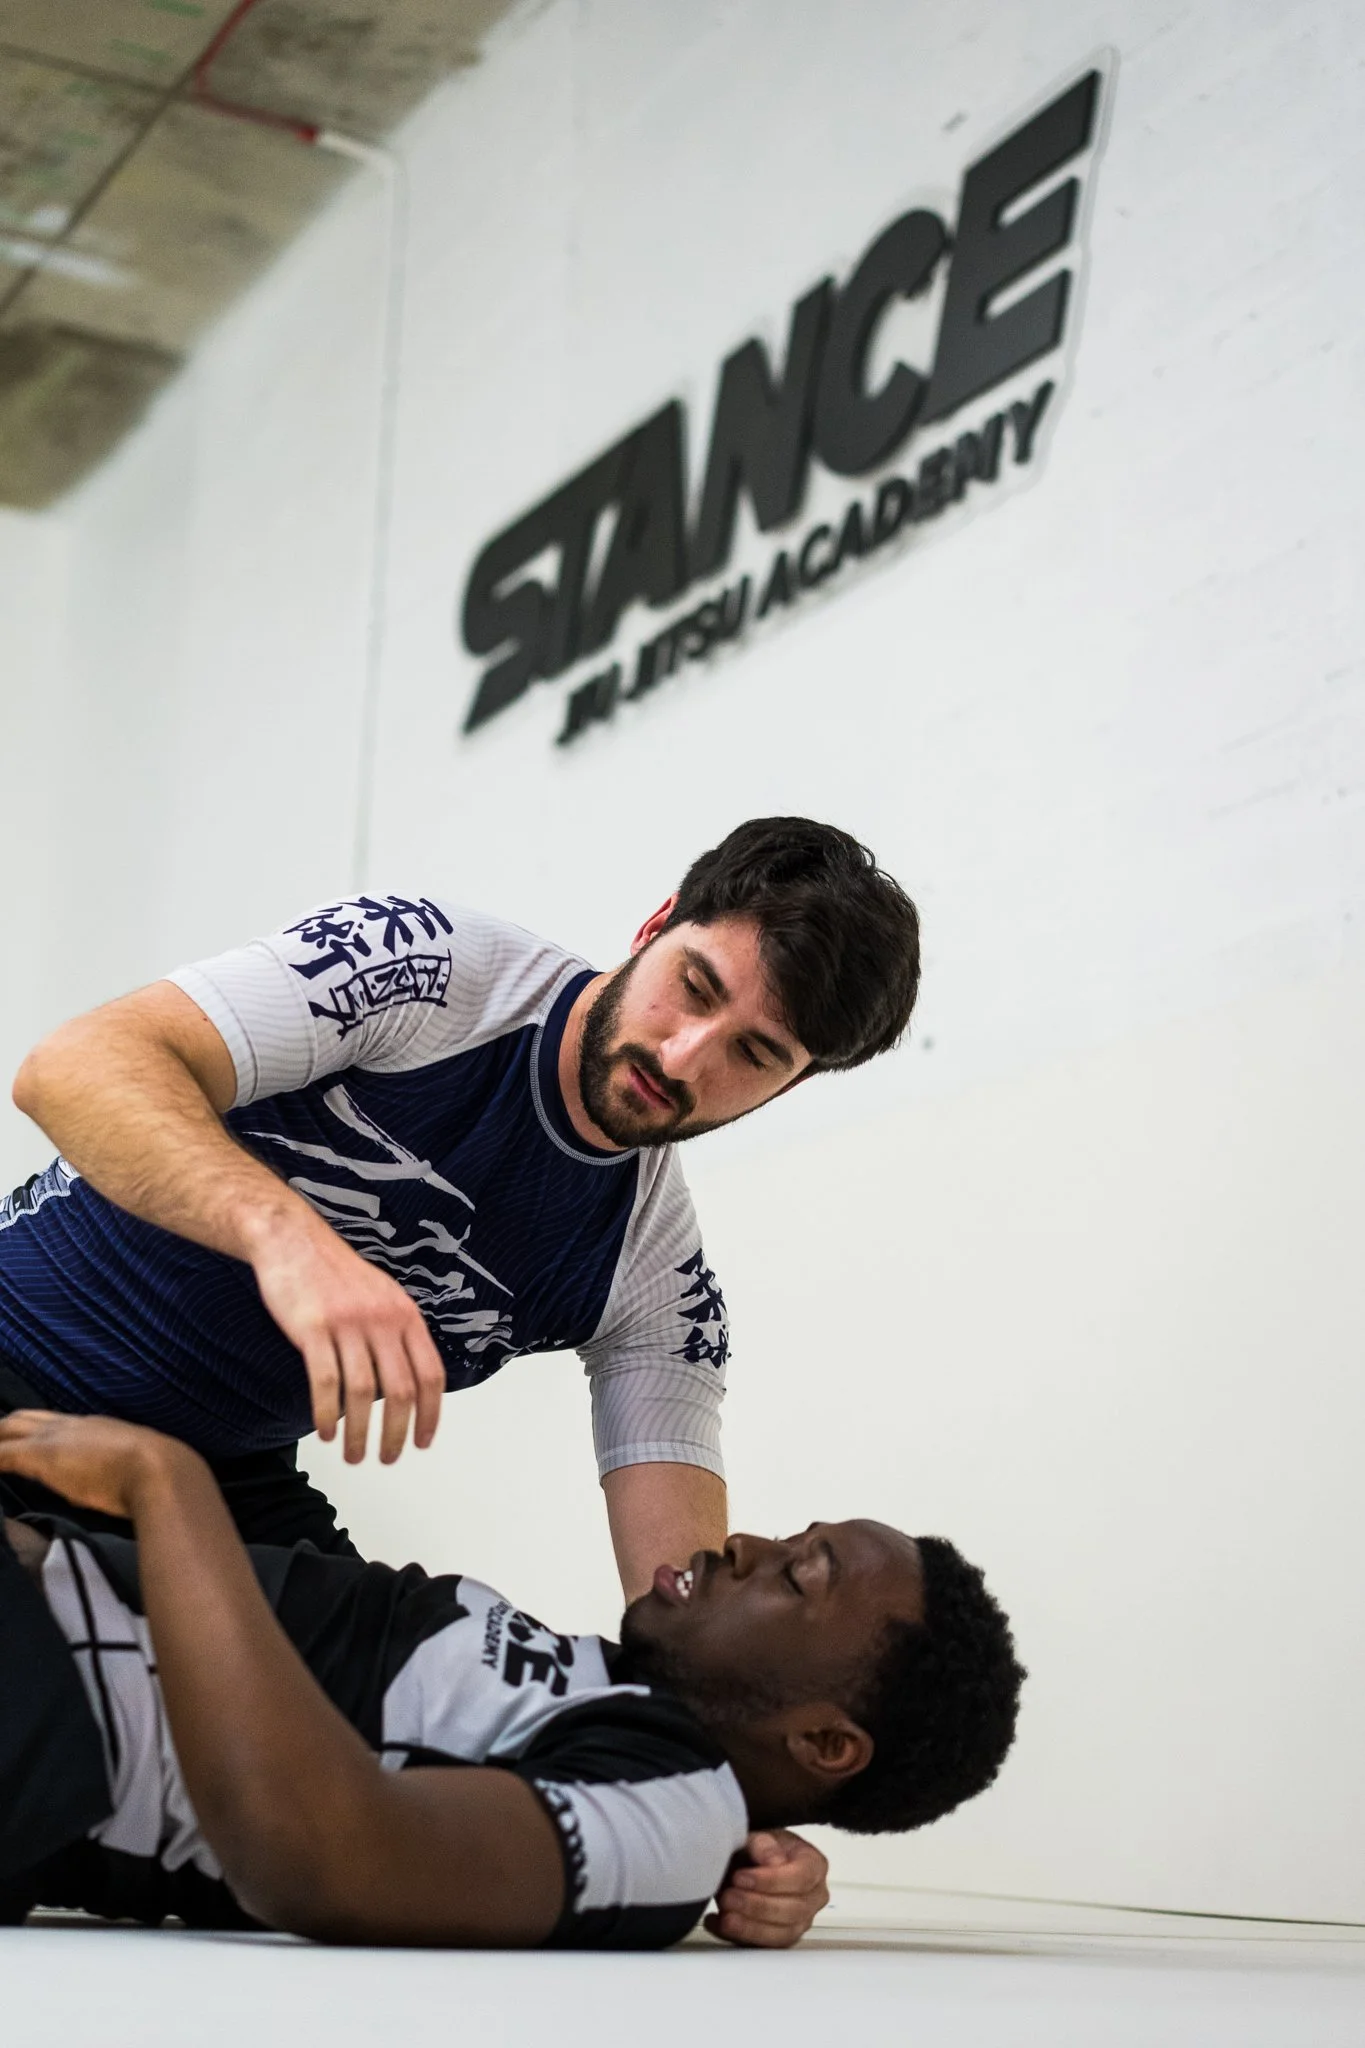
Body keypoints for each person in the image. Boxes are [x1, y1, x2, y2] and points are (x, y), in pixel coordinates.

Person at [0, 815, 921, 1943]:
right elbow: (71, 1067)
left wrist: (751, 1815)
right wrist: (285, 1234)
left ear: (785, 1087)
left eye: (756, 1054)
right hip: (18, 1362)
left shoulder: (649, 1269)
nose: (685, 1056)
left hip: (210, 1480)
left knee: (363, 1734)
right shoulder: (433, 968)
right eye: (693, 986)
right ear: (652, 928)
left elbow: (686, 1626)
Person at [0, 1410, 1024, 1948]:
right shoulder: (637, 1726)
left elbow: (325, 1856)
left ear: (827, 1742)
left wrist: (166, 1485)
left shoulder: (678, 1810)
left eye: (801, 1573)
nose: (745, 1539)